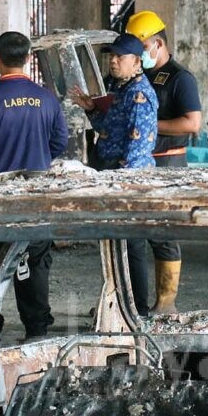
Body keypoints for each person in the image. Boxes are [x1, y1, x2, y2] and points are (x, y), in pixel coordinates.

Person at [0, 31, 68, 339]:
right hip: (36, 195)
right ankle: (36, 329)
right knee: (35, 261)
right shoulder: (47, 99)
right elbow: (59, 142)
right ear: (28, 59)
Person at [70, 33, 159, 316]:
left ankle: (138, 311)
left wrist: (118, 182)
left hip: (127, 180)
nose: (114, 61)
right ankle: (116, 306)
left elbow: (138, 146)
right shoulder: (120, 88)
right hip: (110, 174)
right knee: (111, 245)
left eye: (120, 57)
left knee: (132, 246)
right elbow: (110, 130)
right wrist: (92, 110)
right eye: (112, 56)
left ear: (137, 62)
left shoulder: (139, 95)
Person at [125, 10, 204, 315]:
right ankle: (132, 303)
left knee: (163, 234)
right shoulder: (138, 75)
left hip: (168, 163)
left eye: (141, 48)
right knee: (131, 235)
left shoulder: (180, 78)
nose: (137, 55)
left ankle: (166, 302)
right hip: (139, 163)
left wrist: (148, 124)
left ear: (157, 44)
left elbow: (192, 123)